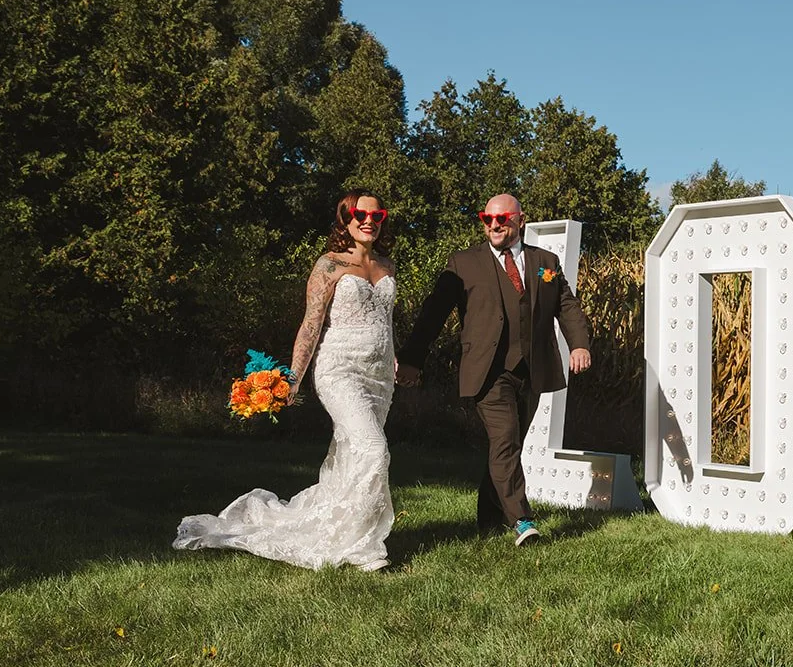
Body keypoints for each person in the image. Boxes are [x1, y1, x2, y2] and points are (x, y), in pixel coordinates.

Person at [174, 191, 399, 571]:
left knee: (351, 456)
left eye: (377, 215)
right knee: (373, 450)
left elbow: (387, 321)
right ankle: (364, 548)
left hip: (379, 379)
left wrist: (395, 358)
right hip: (339, 369)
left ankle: (345, 528)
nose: (369, 220)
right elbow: (311, 324)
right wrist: (292, 377)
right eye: (361, 214)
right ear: (345, 219)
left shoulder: (387, 265)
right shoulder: (329, 265)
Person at [396, 193, 592, 545]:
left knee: (508, 446)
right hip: (487, 371)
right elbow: (433, 313)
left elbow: (567, 305)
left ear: (520, 219)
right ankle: (522, 521)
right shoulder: (463, 263)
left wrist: (579, 343)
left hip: (533, 369)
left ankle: (489, 520)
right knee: (504, 440)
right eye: (488, 219)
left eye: (502, 219)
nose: (495, 225)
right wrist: (412, 358)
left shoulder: (544, 261)